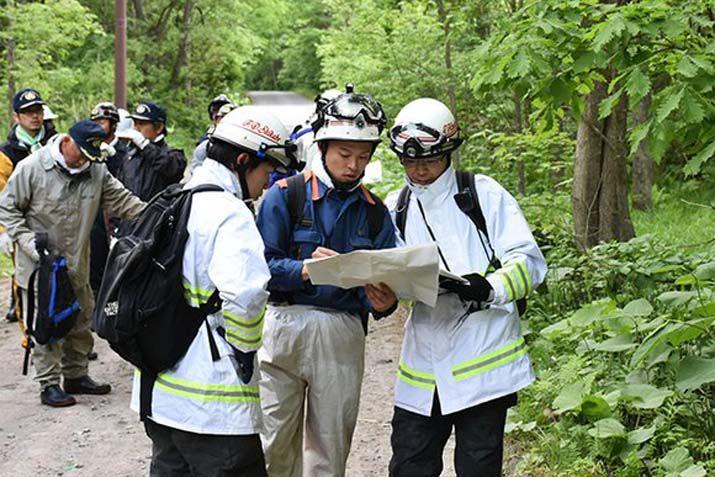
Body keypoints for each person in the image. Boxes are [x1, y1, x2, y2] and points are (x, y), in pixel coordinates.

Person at [384, 98, 548, 476]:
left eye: (427, 161)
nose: (419, 170)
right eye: (409, 162)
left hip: (483, 362)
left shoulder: (483, 194)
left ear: (448, 152)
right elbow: (391, 271)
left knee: (477, 466)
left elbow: (530, 263)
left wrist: (489, 287)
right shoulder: (397, 205)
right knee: (409, 464)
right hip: (423, 364)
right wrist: (383, 295)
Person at [132, 106, 296, 476]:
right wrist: (243, 354)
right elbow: (246, 296)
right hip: (212, 403)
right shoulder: (230, 213)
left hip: (159, 393)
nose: (268, 182)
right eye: (267, 170)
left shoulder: (176, 197)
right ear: (242, 160)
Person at [256, 86, 399, 477]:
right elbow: (257, 270)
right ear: (322, 147)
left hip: (342, 332)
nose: (354, 165)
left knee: (329, 449)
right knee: (271, 444)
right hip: (283, 326)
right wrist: (302, 269)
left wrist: (384, 302)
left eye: (363, 156)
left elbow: (387, 288)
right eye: (345, 154)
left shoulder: (376, 213)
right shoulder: (284, 196)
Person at [0, 120, 145, 407]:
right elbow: (7, 208)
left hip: (77, 262)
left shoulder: (96, 170)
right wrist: (28, 242)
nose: (85, 162)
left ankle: (76, 375)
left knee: (81, 319)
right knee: (47, 324)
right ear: (67, 142)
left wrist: (160, 213)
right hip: (41, 268)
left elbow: (124, 201)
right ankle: (49, 384)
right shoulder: (32, 168)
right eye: (82, 154)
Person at [0, 88, 54, 324]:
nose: (35, 116)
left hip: (58, 221)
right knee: (27, 283)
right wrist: (4, 230)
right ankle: (32, 337)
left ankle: (63, 336)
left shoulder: (56, 143)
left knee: (63, 279)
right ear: (16, 117)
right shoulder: (7, 153)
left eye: (38, 111)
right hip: (23, 227)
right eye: (28, 112)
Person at [116, 100, 186, 204]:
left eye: (142, 124)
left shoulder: (173, 156)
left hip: (157, 218)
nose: (137, 128)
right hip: (129, 217)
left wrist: (144, 145)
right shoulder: (129, 156)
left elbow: (170, 168)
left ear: (158, 127)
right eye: (135, 123)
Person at [190, 102, 236, 174]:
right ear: (216, 120)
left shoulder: (245, 148)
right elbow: (196, 173)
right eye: (223, 118)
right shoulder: (205, 147)